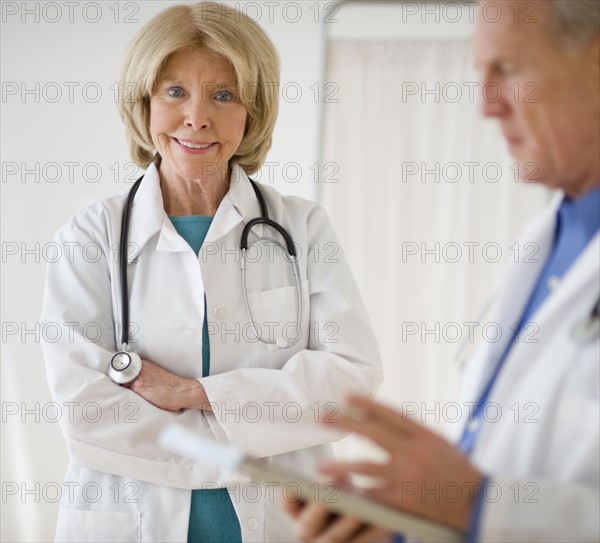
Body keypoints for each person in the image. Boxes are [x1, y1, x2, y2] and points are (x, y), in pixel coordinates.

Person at [40, 3, 382, 542]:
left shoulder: (302, 228)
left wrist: (196, 394)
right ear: (143, 103)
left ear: (254, 110)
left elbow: (349, 383)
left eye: (223, 95)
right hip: (130, 522)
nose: (196, 117)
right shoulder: (91, 236)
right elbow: (88, 412)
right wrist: (256, 437)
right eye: (175, 92)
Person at [283, 0, 600, 541]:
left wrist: (477, 505)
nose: (486, 105)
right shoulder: (549, 239)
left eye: (508, 69)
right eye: (480, 74)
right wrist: (404, 528)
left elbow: (491, 502)